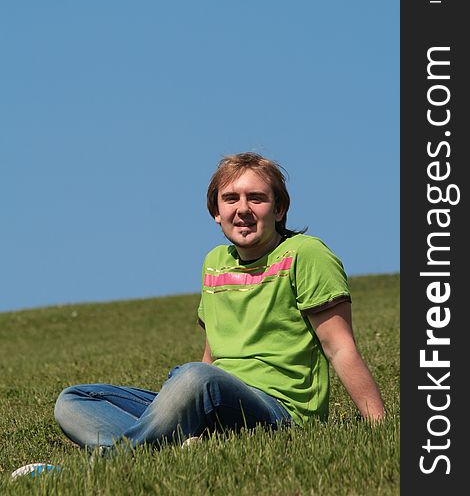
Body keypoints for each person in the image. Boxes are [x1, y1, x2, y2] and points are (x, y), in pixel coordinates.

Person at [54, 152, 384, 452]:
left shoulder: (306, 254)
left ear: (279, 208)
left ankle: (122, 456)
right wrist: (182, 402)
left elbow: (340, 347)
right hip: (214, 399)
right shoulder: (214, 262)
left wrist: (379, 426)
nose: (243, 209)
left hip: (279, 412)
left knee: (194, 378)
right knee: (74, 400)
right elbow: (212, 356)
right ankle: (174, 443)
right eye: (231, 199)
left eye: (257, 198)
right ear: (216, 212)